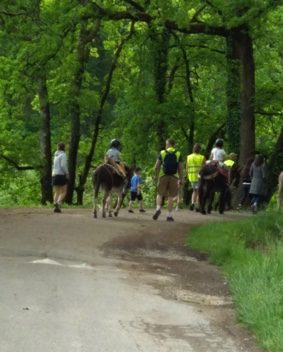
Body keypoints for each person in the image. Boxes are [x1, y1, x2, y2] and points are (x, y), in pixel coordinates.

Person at [153, 138, 183, 221]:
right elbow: (180, 168)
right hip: (174, 176)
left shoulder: (162, 153)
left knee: (159, 193)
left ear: (169, 144)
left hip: (163, 176)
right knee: (171, 196)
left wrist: (156, 175)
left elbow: (156, 166)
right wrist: (181, 179)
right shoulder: (178, 153)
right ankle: (169, 216)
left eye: (166, 144)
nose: (165, 145)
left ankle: (158, 208)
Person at [186, 143, 205, 211]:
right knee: (199, 191)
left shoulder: (189, 157)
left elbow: (187, 167)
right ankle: (197, 205)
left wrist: (187, 175)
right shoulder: (202, 157)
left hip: (191, 176)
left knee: (194, 190)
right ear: (199, 149)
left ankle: (192, 203)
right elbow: (204, 168)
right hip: (199, 176)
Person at [52, 142, 69, 213]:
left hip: (54, 174)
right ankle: (58, 203)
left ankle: (55, 203)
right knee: (64, 191)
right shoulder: (63, 155)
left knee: (56, 192)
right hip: (61, 175)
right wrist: (67, 173)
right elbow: (63, 165)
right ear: (64, 148)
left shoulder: (55, 155)